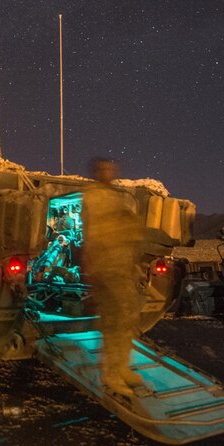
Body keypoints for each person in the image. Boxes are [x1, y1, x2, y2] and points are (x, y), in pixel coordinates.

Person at [80, 157, 146, 397]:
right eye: (104, 169)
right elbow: (104, 229)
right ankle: (111, 373)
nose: (110, 172)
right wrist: (127, 223)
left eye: (112, 168)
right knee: (114, 322)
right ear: (97, 172)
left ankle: (122, 367)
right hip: (106, 268)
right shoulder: (94, 196)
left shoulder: (115, 195)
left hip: (122, 266)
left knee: (128, 317)